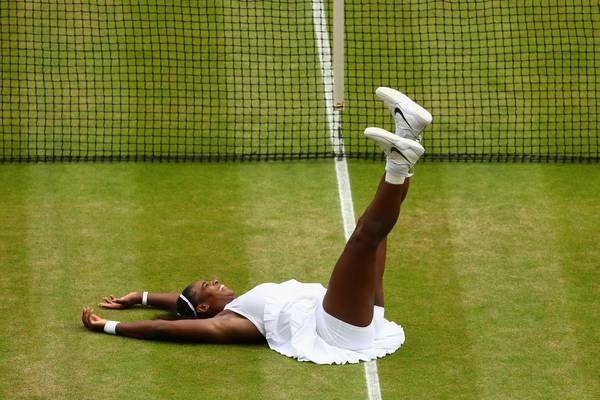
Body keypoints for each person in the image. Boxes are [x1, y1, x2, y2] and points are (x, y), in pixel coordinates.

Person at [81, 87, 433, 365]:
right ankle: (399, 161)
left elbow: (181, 303)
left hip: (352, 316)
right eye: (209, 285)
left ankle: (406, 134)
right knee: (363, 240)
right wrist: (110, 326)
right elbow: (164, 327)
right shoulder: (228, 324)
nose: (216, 281)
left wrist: (140, 297)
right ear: (206, 308)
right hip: (339, 331)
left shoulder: (227, 305)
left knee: (373, 235)